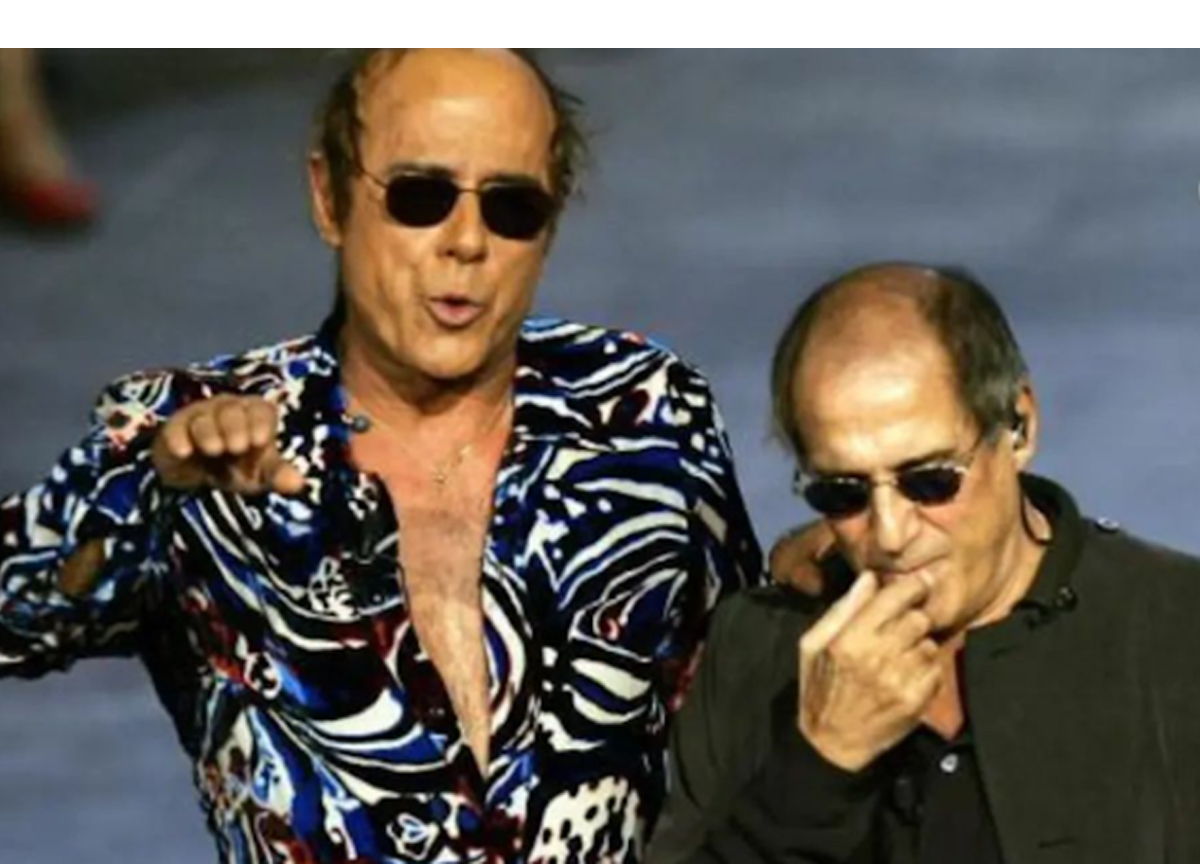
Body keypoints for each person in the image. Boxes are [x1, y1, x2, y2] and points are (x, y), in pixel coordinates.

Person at [0, 49, 763, 863]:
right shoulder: (186, 437)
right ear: (329, 197)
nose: (466, 242)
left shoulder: (644, 412)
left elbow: (745, 706)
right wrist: (145, 489)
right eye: (420, 197)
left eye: (512, 208)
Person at [648, 262, 1200, 864]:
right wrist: (817, 764)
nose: (890, 534)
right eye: (843, 493)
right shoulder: (756, 649)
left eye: (931, 481)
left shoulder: (1173, 631)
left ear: (1018, 427)